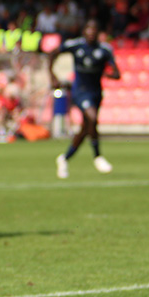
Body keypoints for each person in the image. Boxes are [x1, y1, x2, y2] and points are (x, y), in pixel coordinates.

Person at [49, 19, 120, 178]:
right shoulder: (76, 45)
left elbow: (117, 73)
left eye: (94, 30)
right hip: (80, 91)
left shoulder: (104, 50)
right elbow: (53, 53)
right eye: (88, 29)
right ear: (84, 31)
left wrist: (107, 73)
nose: (91, 33)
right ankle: (98, 156)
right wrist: (52, 76)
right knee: (92, 117)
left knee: (86, 128)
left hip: (96, 92)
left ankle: (64, 158)